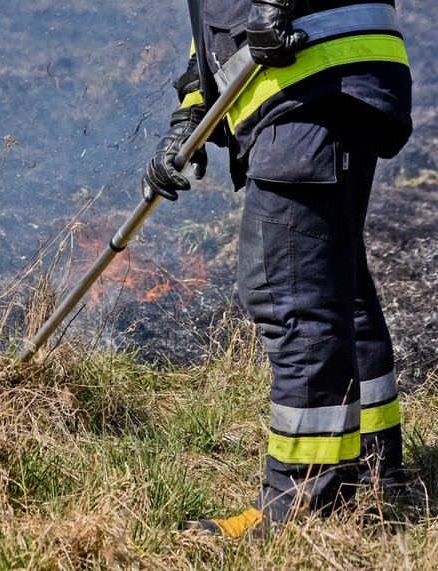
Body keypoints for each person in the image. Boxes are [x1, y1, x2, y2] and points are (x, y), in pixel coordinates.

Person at [143, 0, 413, 538]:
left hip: (313, 77)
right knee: (337, 287)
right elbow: (217, 26)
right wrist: (190, 114)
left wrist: (278, 1)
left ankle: (301, 504)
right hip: (326, 75)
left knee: (290, 294)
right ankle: (372, 470)